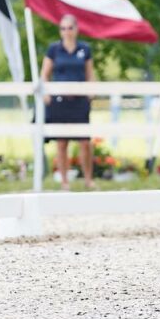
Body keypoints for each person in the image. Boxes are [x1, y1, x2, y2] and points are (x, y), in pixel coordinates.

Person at [41, 14, 96, 190]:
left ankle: (88, 179)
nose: (67, 32)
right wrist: (46, 93)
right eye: (63, 28)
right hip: (60, 101)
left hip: (79, 100)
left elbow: (89, 74)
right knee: (62, 142)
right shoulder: (54, 49)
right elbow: (45, 73)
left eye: (70, 28)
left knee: (85, 143)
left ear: (76, 29)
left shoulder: (84, 49)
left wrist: (91, 92)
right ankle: (65, 181)